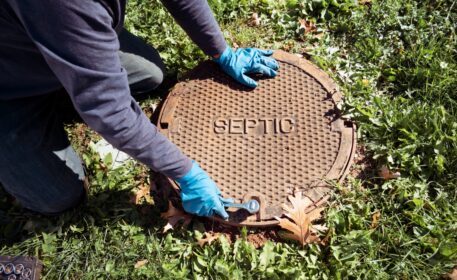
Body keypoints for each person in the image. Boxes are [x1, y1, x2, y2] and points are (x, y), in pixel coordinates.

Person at [0, 0, 279, 220]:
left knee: (151, 75)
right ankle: (72, 82)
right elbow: (111, 111)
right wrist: (185, 172)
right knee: (56, 196)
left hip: (54, 32)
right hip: (10, 88)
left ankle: (79, 69)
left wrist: (221, 51)